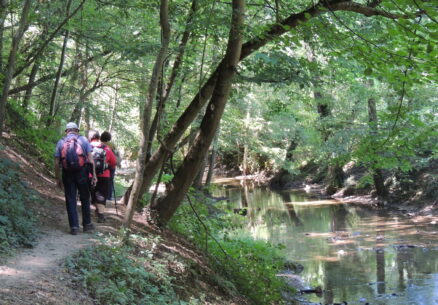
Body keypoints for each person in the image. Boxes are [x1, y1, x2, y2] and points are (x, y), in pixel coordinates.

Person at [54, 122, 97, 235]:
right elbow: (91, 160)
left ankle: (74, 227)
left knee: (70, 199)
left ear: (66, 131)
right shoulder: (83, 140)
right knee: (85, 198)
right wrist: (94, 176)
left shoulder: (61, 142)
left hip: (67, 174)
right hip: (82, 173)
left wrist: (58, 179)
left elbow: (56, 163)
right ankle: (87, 225)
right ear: (77, 130)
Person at [88, 130, 117, 223]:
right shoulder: (106, 148)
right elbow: (114, 162)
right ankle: (100, 215)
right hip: (104, 175)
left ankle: (93, 210)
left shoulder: (87, 146)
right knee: (101, 195)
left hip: (90, 174)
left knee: (92, 192)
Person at [100, 131, 120, 201]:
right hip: (112, 166)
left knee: (100, 181)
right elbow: (117, 155)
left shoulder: (100, 144)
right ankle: (108, 197)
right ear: (109, 138)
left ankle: (100, 195)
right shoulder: (112, 145)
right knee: (110, 181)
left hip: (101, 165)